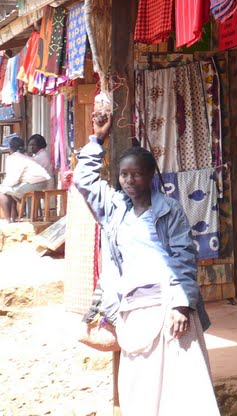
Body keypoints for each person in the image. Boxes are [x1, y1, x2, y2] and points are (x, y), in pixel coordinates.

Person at [73, 109, 220, 415]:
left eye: (137, 173)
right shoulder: (113, 208)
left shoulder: (169, 210)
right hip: (131, 308)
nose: (129, 180)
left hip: (169, 305)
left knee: (183, 387)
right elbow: (84, 180)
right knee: (140, 388)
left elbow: (184, 258)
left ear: (151, 175)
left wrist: (182, 303)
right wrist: (98, 138)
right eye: (124, 174)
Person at [0, 135, 52, 221]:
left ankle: (8, 220)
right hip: (45, 182)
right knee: (9, 191)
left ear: (10, 148)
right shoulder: (26, 156)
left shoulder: (13, 157)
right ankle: (15, 217)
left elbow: (13, 180)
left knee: (2, 192)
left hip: (35, 184)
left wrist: (4, 185)